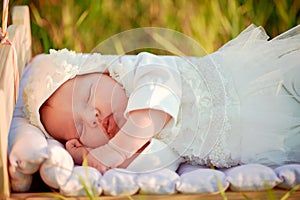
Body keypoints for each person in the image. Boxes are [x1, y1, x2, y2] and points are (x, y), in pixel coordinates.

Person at [15, 24, 300, 174]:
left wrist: (115, 151)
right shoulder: (143, 143)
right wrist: (91, 158)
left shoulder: (140, 70)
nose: (92, 116)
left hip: (259, 88)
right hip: (261, 138)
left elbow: (159, 98)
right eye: (80, 128)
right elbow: (158, 162)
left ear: (105, 72)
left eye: (88, 95)